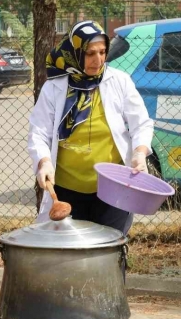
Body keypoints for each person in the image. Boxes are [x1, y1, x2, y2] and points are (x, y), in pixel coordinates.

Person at [27, 20, 154, 235]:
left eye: (103, 52)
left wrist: (140, 153)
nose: (99, 60)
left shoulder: (119, 81)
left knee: (110, 249)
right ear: (75, 52)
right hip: (67, 189)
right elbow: (39, 132)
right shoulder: (55, 87)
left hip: (113, 188)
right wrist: (44, 162)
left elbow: (141, 122)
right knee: (69, 254)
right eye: (90, 53)